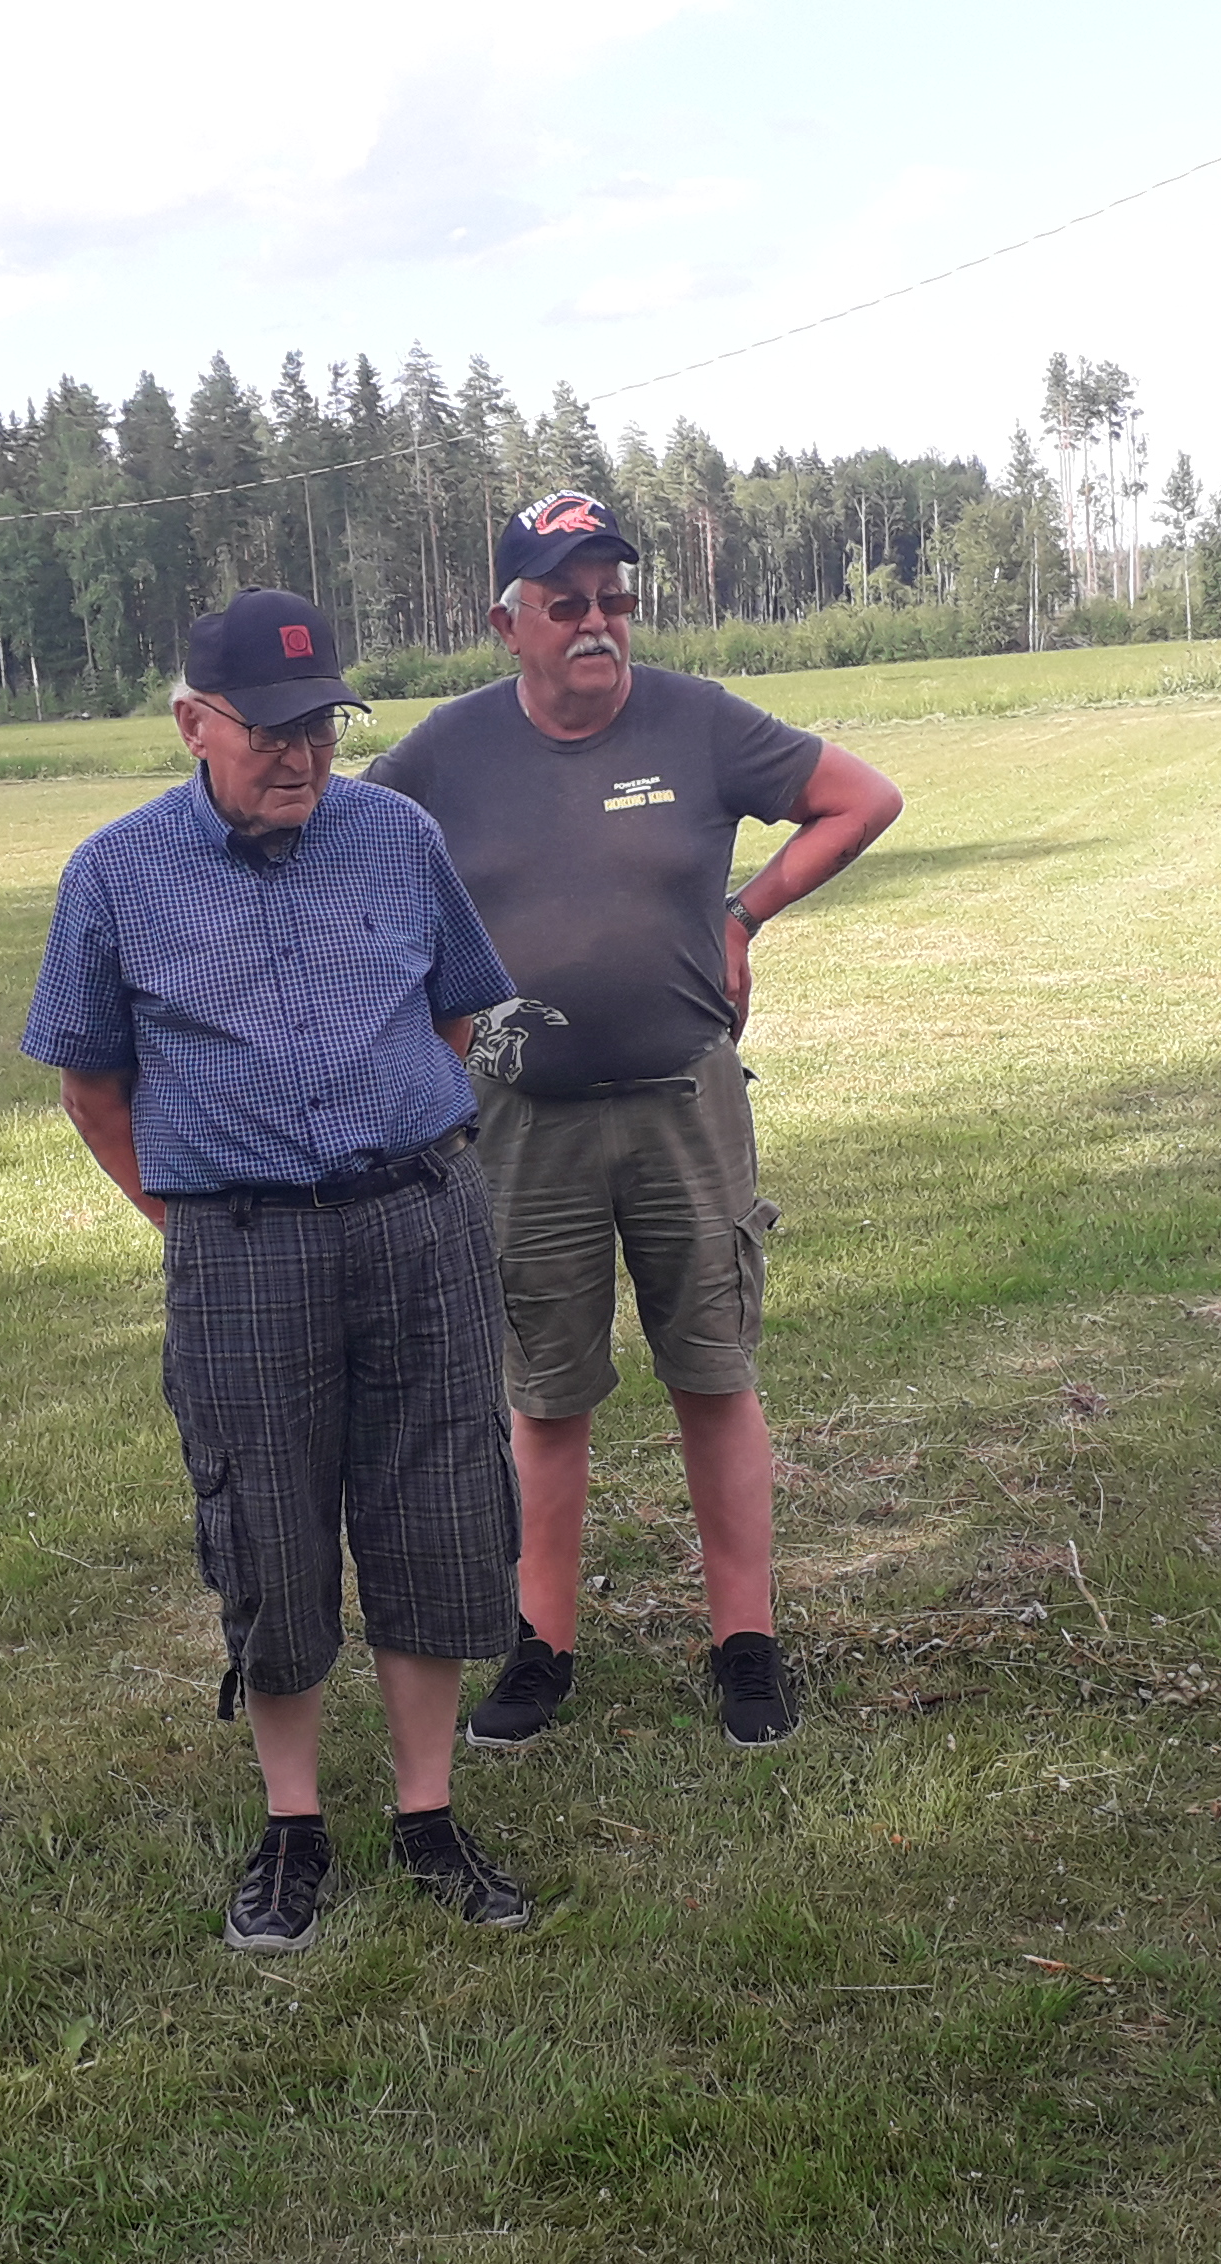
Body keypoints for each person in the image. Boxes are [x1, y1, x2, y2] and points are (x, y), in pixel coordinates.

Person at [23, 587, 537, 1953]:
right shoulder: (115, 875)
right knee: (270, 1526)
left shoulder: (397, 837)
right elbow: (92, 1086)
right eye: (271, 733)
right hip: (242, 1247)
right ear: (194, 722)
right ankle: (293, 1821)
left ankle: (427, 1811)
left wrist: (423, 1130)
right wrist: (190, 1218)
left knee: (437, 1501)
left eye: (320, 727)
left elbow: (465, 1009)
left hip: (419, 1223)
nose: (302, 756)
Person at [366, 492, 903, 1749]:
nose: (598, 624)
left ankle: (747, 1645)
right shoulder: (445, 755)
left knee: (713, 1375)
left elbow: (862, 799)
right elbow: (359, 863)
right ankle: (538, 1645)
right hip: (521, 1123)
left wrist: (744, 913)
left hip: (682, 1106)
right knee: (546, 1397)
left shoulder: (698, 720)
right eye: (568, 604)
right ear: (509, 623)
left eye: (616, 598)